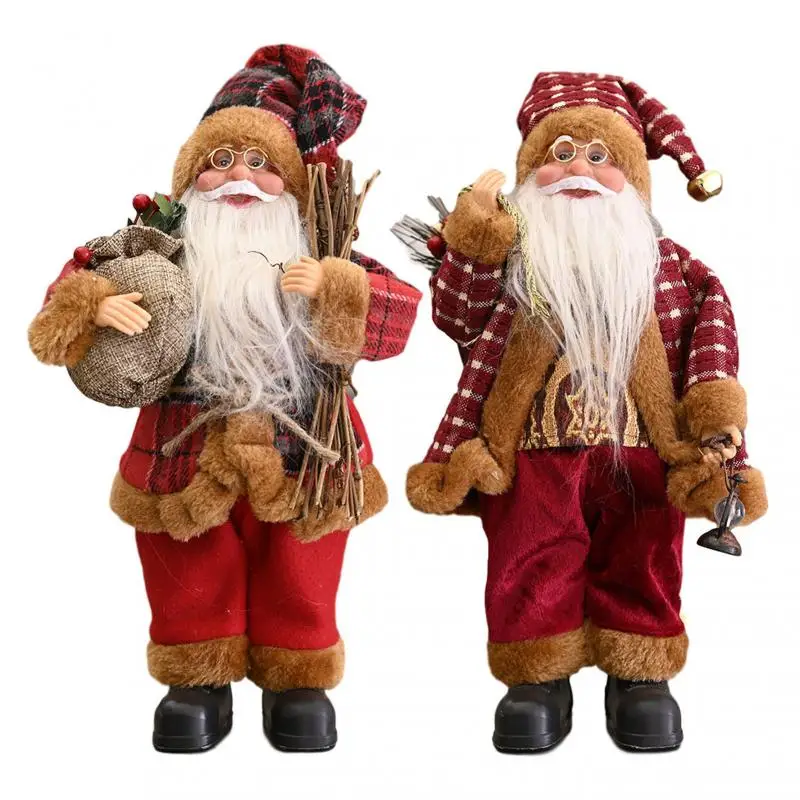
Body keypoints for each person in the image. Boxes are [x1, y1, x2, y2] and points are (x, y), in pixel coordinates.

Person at [29, 44, 421, 754]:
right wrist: (94, 303)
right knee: (186, 558)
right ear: (190, 178)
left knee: (302, 561)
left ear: (292, 184)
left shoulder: (319, 245)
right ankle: (195, 680)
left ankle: (297, 678)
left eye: (262, 163)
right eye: (220, 161)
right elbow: (74, 280)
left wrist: (336, 287)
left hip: (302, 445)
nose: (240, 177)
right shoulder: (156, 243)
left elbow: (398, 317)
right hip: (182, 443)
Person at [406, 71, 766, 752]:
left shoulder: (674, 268)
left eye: (600, 157)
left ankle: (640, 673)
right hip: (532, 448)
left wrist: (715, 409)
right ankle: (537, 677)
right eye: (560, 153)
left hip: (643, 445)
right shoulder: (513, 261)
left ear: (634, 179)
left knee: (644, 552)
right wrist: (474, 234)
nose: (578, 169)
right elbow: (456, 315)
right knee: (530, 556)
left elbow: (711, 338)